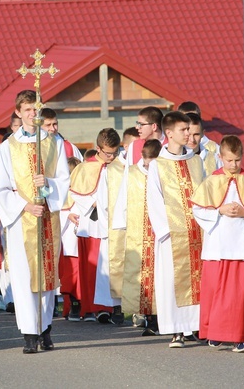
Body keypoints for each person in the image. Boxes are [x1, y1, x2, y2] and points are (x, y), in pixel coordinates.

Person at [0, 90, 70, 354]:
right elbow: (1, 189)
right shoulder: (6, 149)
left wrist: (48, 185)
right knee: (25, 276)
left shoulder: (54, 142)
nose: (32, 114)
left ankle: (45, 328)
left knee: (46, 274)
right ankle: (28, 333)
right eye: (27, 110)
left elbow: (64, 180)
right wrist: (25, 205)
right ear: (18, 112)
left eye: (36, 109)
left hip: (48, 217)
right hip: (21, 221)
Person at [191, 135, 244, 353]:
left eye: (237, 160)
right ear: (220, 158)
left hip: (241, 245)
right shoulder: (211, 181)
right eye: (229, 160)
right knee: (216, 290)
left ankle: (240, 338)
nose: (234, 165)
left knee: (239, 294)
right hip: (217, 245)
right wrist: (219, 210)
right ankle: (216, 334)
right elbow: (198, 209)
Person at [146, 111, 205, 348]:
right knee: (172, 281)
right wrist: (166, 230)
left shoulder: (195, 160)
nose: (189, 134)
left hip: (197, 231)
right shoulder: (158, 165)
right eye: (183, 130)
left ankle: (197, 325)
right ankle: (176, 331)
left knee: (198, 279)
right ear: (169, 133)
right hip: (172, 234)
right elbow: (153, 199)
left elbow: (204, 194)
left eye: (189, 129)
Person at [67, 128, 122, 325]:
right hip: (93, 224)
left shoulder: (120, 165)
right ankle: (93, 308)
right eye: (108, 153)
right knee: (93, 268)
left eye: (115, 152)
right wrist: (93, 203)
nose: (112, 156)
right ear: (98, 148)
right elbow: (75, 192)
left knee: (113, 265)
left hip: (115, 224)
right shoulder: (85, 167)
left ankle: (113, 306)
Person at [121, 139, 162, 335]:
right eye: (145, 163)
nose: (147, 167)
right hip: (140, 232)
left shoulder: (165, 172)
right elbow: (122, 200)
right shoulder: (132, 173)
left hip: (160, 232)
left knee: (161, 276)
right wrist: (121, 228)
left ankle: (164, 319)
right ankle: (150, 319)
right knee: (144, 278)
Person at [59, 156, 82, 320]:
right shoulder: (61, 194)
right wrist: (67, 215)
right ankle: (73, 305)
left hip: (83, 240)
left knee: (82, 276)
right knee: (71, 277)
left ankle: (85, 307)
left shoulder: (83, 190)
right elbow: (57, 212)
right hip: (68, 241)